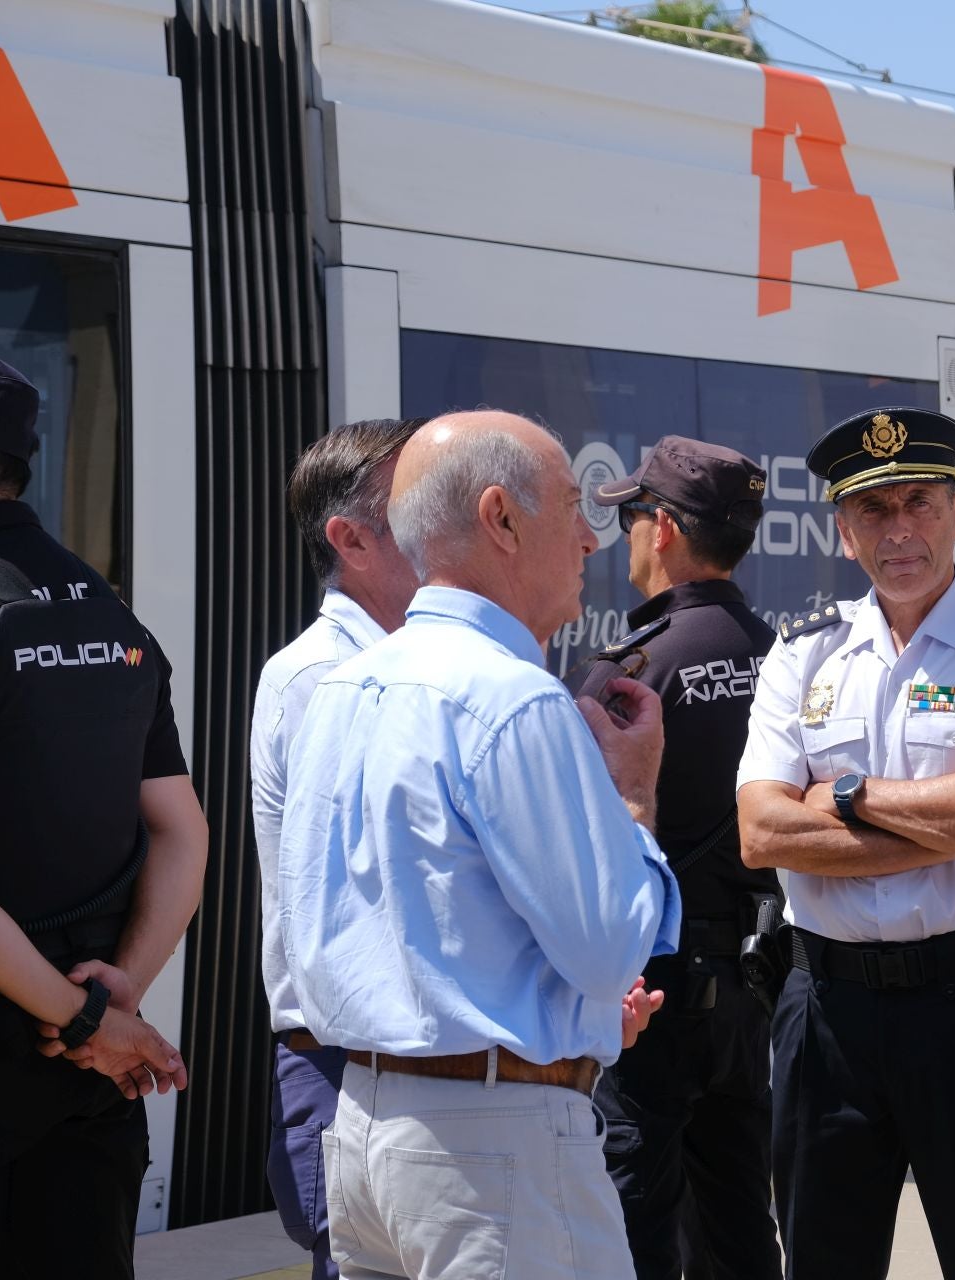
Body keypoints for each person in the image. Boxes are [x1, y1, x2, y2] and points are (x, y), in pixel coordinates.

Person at [278, 411, 683, 1278]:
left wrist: (559, 1016)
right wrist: (634, 796)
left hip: (364, 1131)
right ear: (500, 518)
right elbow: (612, 947)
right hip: (493, 1150)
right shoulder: (513, 699)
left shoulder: (338, 688)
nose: (588, 538)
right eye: (574, 509)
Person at [736, 406, 955, 1279]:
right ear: (843, 531)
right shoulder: (804, 656)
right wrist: (951, 817)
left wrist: (839, 798)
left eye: (919, 501)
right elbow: (762, 830)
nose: (900, 528)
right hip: (826, 1012)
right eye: (874, 510)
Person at [0, 344, 203, 1276]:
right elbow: (180, 830)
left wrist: (87, 1021)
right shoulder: (111, 614)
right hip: (85, 1073)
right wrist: (112, 994)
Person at [573, 436, 783, 1278]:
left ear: (660, 528)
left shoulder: (629, 673)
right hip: (756, 984)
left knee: (635, 1222)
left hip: (650, 990)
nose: (625, 535)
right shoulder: (785, 657)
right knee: (738, 1216)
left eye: (631, 516)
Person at [249, 417, 424, 1279]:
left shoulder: (407, 663)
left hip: (386, 1055)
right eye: (419, 506)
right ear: (351, 540)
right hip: (346, 1058)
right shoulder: (328, 678)